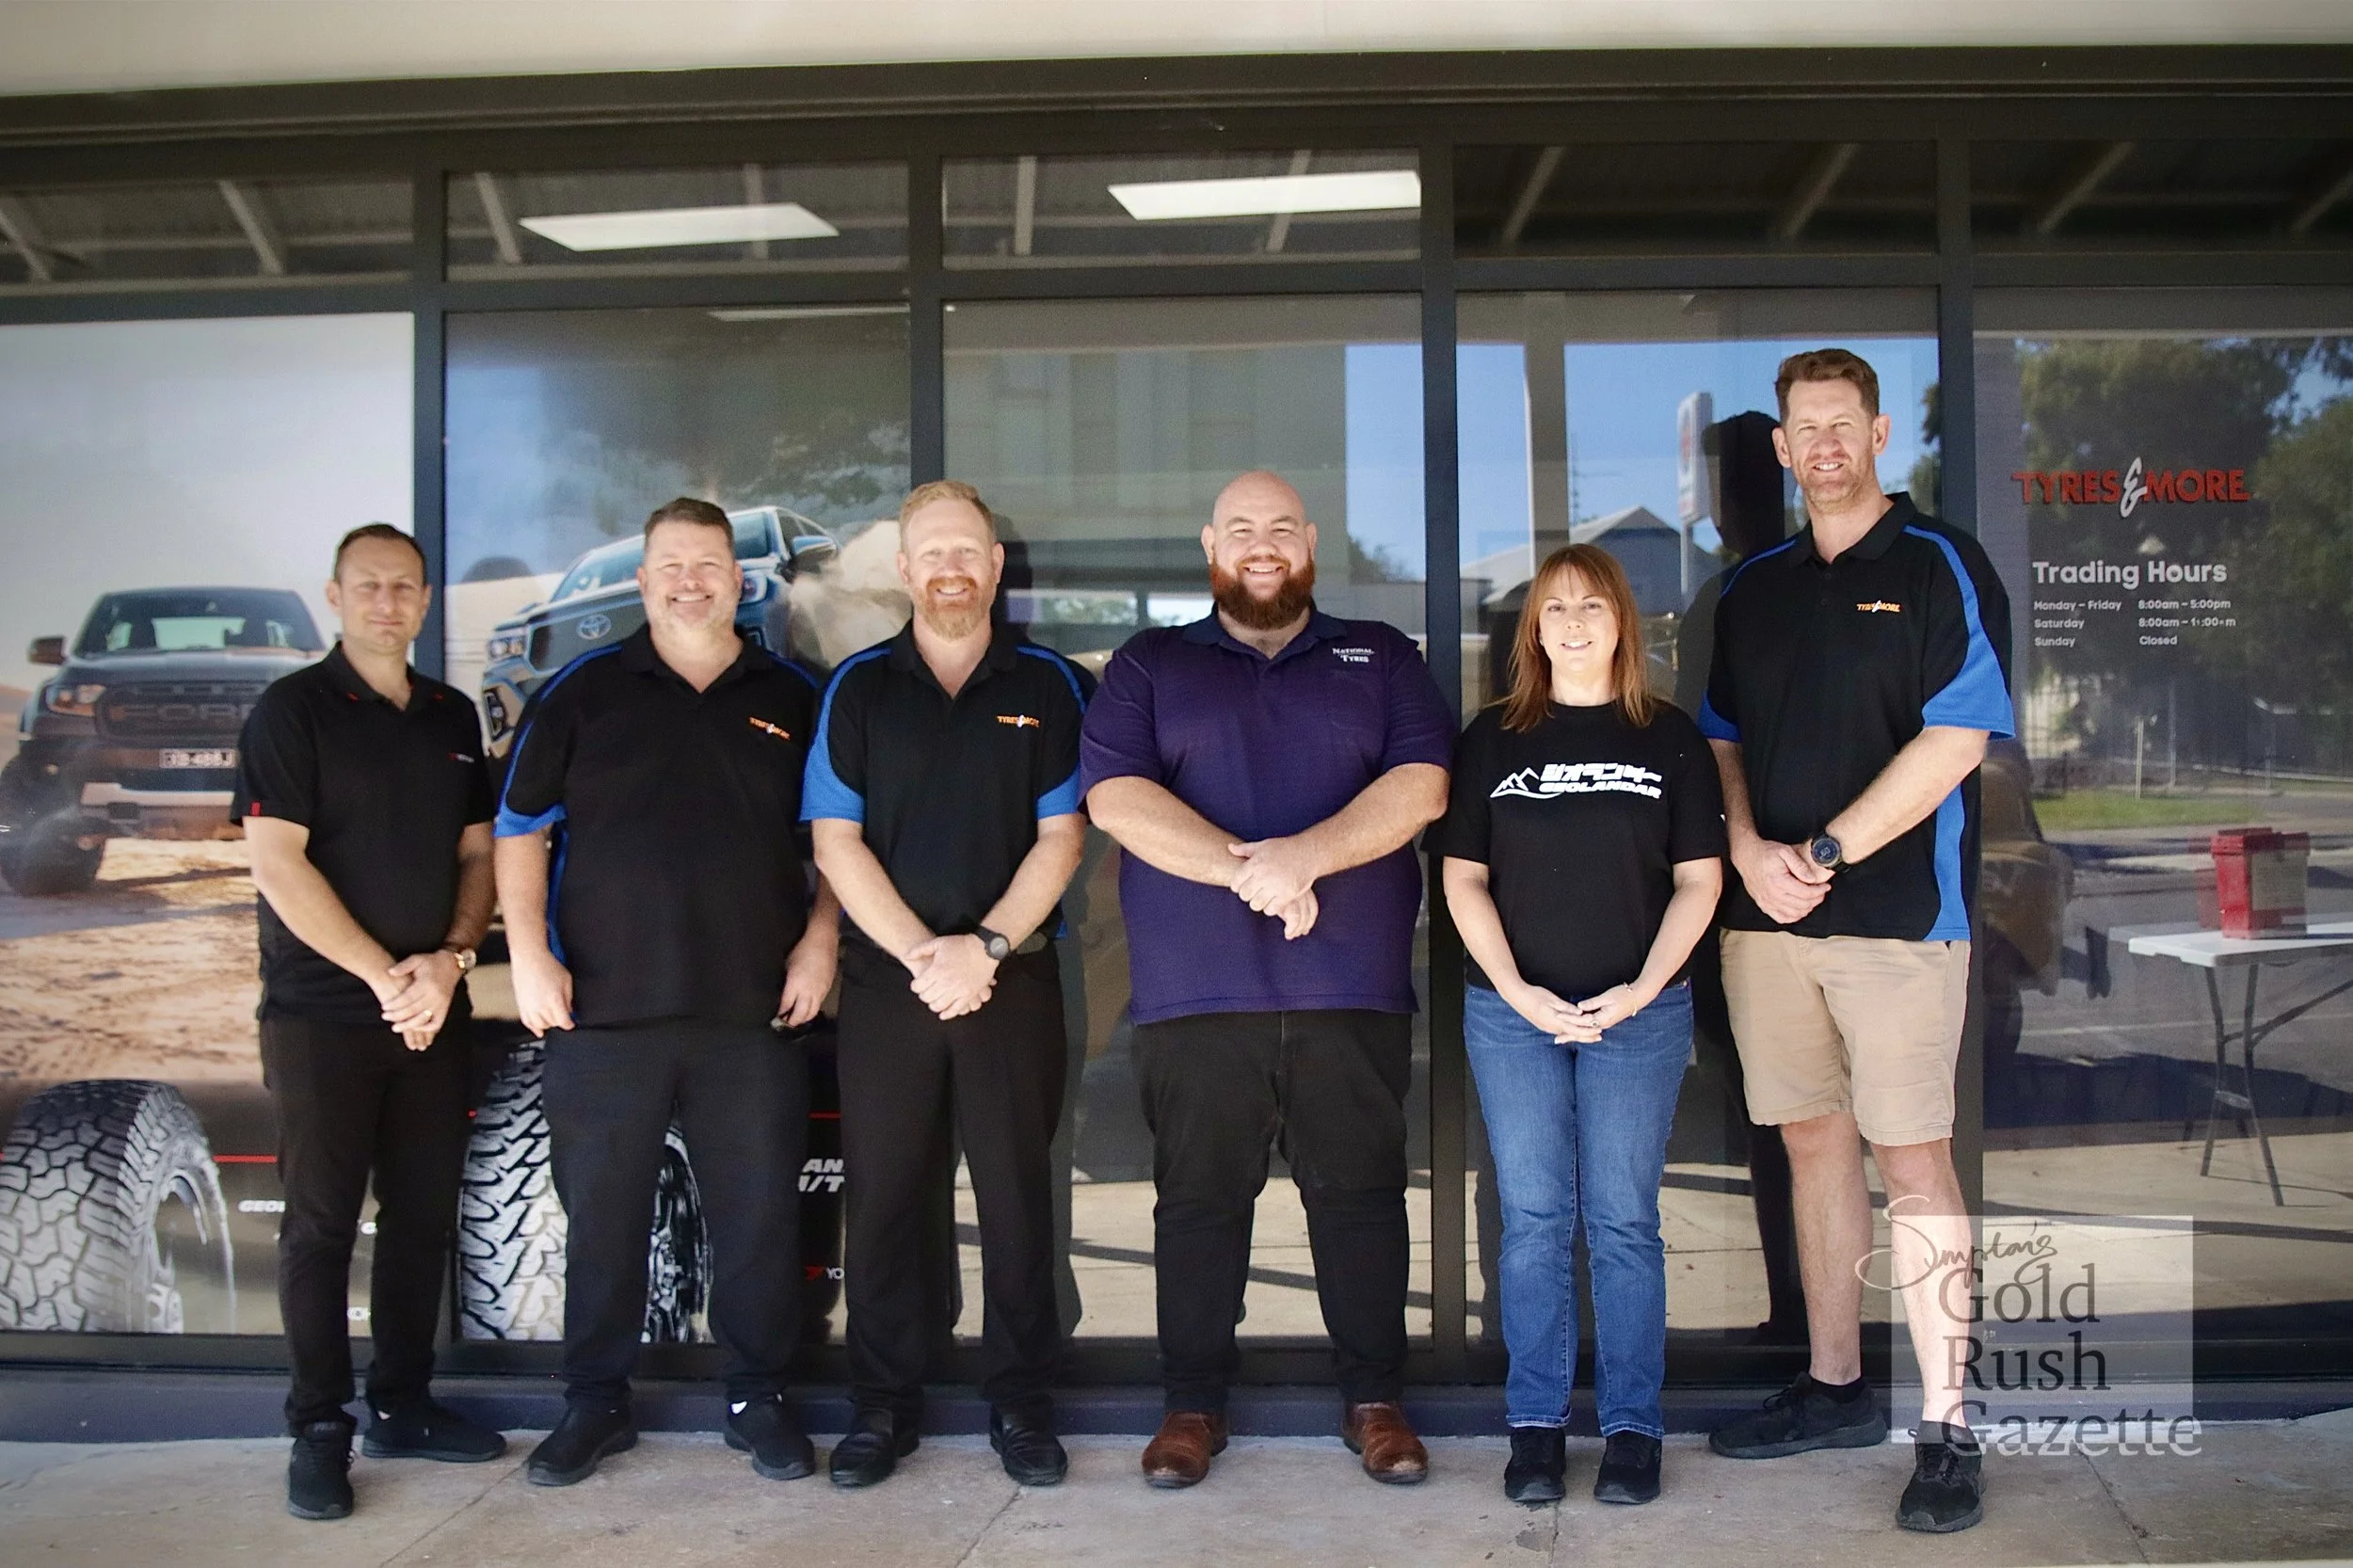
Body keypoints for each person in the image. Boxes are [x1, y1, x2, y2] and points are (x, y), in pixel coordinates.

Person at [1080, 470, 1455, 1489]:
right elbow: (1116, 799)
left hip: (1351, 989)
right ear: (1211, 544)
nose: (1261, 543)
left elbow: (1421, 785)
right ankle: (1192, 1405)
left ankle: (1375, 1402)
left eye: (1279, 528)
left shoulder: (1377, 655)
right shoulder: (1150, 663)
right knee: (1198, 1206)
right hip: (1194, 995)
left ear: (1309, 543)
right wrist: (1257, 872)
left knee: (1363, 1202)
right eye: (1241, 527)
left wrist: (1308, 858)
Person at [1700, 349, 2014, 1534]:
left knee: (1914, 1162)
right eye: (1802, 428)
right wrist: (1743, 850)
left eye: (1843, 422)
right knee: (1811, 1147)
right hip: (1763, 924)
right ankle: (1835, 1386)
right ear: (1780, 450)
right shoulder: (1752, 589)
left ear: (1879, 434)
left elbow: (1959, 738)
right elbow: (1719, 741)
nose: (1823, 443)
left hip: (1893, 926)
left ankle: (1947, 1428)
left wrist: (1822, 854)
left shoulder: (1938, 565)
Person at [493, 497, 840, 1488]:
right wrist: (527, 953)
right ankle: (594, 1402)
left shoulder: (796, 693)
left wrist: (821, 943)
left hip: (752, 1014)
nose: (691, 581)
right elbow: (520, 829)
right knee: (601, 1221)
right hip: (600, 1012)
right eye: (671, 566)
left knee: (760, 1219)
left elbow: (839, 844)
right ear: (643, 583)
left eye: (708, 565)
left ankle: (756, 1396)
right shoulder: (583, 693)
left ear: (739, 581)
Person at [805, 481, 1090, 1489]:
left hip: (1012, 982)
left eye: (967, 550)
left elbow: (1065, 836)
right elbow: (834, 842)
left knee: (1017, 1199)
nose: (950, 568)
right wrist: (929, 955)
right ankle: (883, 1405)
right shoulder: (858, 689)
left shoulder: (1050, 685)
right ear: (904, 570)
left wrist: (988, 947)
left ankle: (1020, 1401)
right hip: (890, 991)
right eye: (931, 552)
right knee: (884, 1199)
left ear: (995, 566)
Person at [1436, 543, 1725, 1508]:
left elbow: (1700, 880)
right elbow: (1461, 877)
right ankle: (1536, 1429)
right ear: (1533, 630)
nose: (1571, 623)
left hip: (1637, 1015)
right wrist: (1515, 989)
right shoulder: (1491, 738)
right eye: (1553, 608)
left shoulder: (1670, 737)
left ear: (1621, 623)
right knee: (1532, 1223)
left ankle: (1634, 1430)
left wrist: (1643, 987)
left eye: (1590, 606)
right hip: (1513, 1016)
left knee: (1622, 1224)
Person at [233, 523, 504, 1521]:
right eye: (368, 585)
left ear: (426, 601)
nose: (387, 601)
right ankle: (318, 1426)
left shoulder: (448, 713)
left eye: (405, 587)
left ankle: (402, 1400)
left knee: (422, 1215)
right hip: (322, 1015)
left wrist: (450, 960)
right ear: (335, 597)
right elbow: (278, 863)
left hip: (435, 1004)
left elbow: (478, 857)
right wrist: (384, 974)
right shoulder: (291, 711)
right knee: (319, 1226)